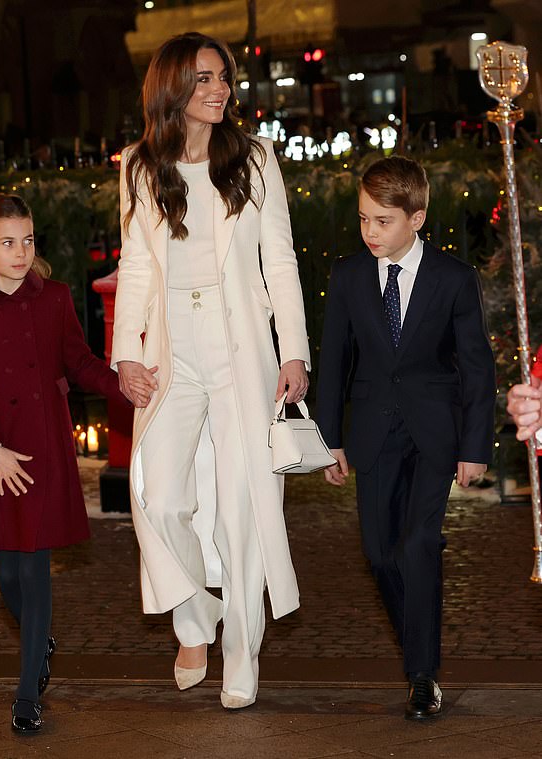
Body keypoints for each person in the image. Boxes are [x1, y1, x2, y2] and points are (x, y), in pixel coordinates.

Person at [111, 32, 309, 709]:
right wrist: (128, 354)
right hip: (172, 345)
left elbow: (279, 259)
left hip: (241, 343)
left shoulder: (253, 158)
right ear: (172, 88)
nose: (219, 88)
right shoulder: (140, 165)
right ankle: (196, 615)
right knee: (157, 496)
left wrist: (293, 351)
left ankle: (241, 650)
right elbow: (136, 263)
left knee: (243, 500)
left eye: (223, 77)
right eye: (203, 78)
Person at [317, 156, 495, 720]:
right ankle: (419, 646)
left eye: (383, 221)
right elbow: (334, 363)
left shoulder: (453, 278)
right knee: (379, 553)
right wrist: (330, 440)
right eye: (364, 219)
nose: (370, 231)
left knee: (419, 544)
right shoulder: (347, 277)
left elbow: (477, 367)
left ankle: (422, 674)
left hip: (434, 433)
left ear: (416, 218)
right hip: (371, 432)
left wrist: (474, 447)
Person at [0, 194, 123, 733]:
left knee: (35, 567)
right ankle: (39, 643)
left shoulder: (56, 299)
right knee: (6, 571)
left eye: (28, 240)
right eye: (7, 242)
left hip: (42, 450)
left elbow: (82, 362)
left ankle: (25, 695)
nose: (21, 252)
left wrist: (123, 384)